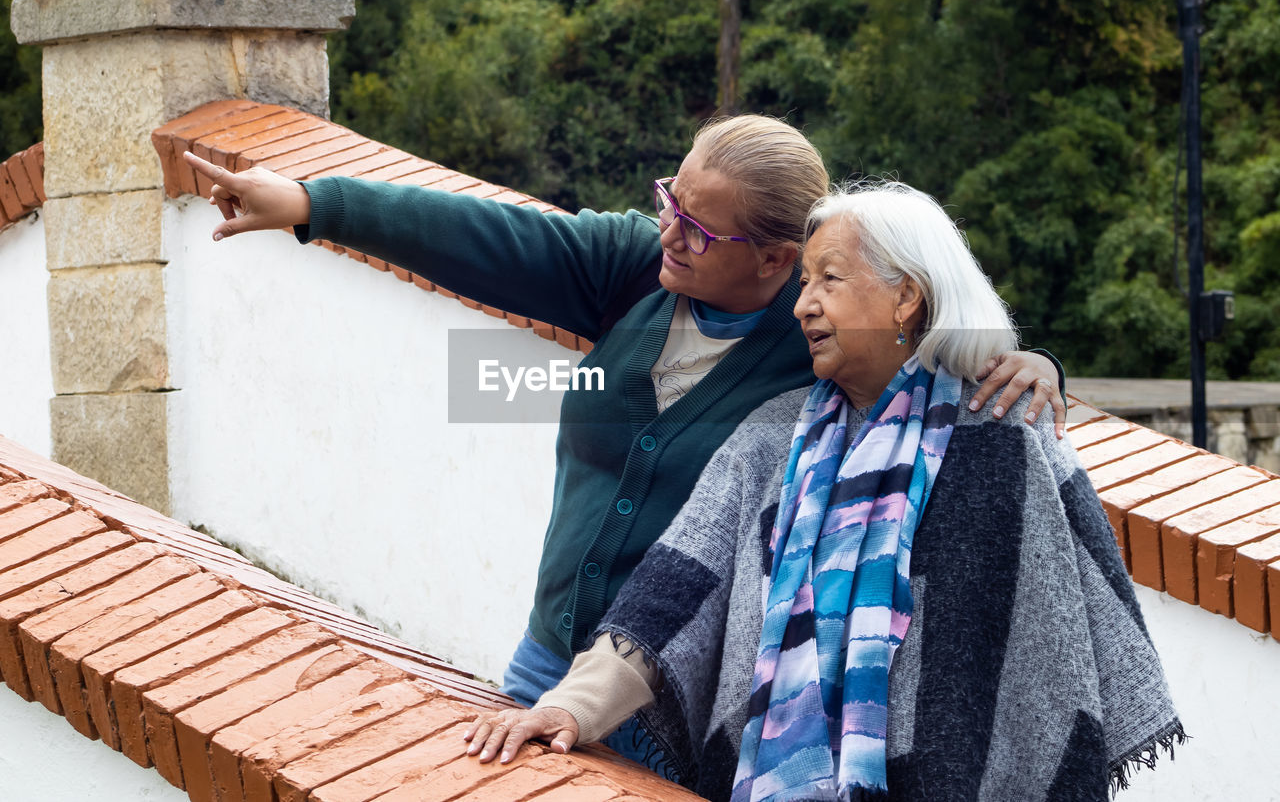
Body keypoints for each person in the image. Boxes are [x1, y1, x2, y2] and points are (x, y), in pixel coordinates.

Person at [181, 120, 1066, 760]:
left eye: (700, 227)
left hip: (672, 701)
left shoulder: (814, 341)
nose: (670, 233)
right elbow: (487, 237)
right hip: (546, 660)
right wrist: (310, 203)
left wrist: (1029, 363)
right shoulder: (635, 269)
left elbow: (930, 353)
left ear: (776, 259)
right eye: (669, 202)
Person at [463, 181, 1181, 801]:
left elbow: (1067, 640)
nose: (803, 304)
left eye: (829, 281)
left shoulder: (1005, 441)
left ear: (907, 299)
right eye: (803, 281)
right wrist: (571, 706)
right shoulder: (769, 441)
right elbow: (667, 600)